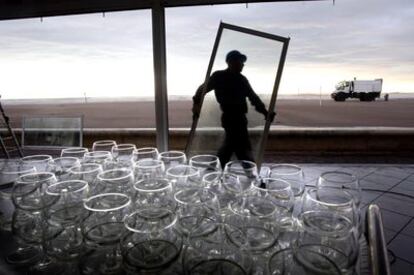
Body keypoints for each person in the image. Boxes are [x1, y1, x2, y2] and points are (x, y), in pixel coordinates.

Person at [192, 50, 275, 168]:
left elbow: (253, 98)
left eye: (242, 62)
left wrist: (265, 112)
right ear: (231, 62)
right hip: (231, 118)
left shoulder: (242, 79)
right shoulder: (219, 76)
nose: (242, 65)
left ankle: (212, 172)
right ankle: (253, 177)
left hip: (239, 118)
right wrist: (196, 106)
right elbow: (201, 91)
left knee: (230, 148)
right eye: (240, 61)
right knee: (242, 149)